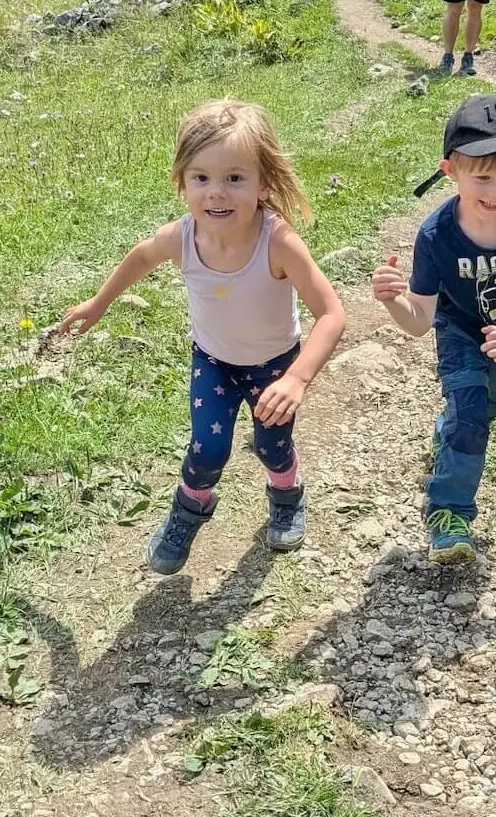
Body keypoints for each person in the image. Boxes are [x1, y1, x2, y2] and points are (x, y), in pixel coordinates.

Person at [59, 98, 346, 575]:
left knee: (271, 446)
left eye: (235, 178)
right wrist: (99, 303)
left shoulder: (277, 241)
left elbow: (332, 313)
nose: (217, 193)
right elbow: (139, 257)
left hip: (274, 365)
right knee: (207, 449)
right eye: (201, 178)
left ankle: (287, 492)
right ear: (183, 181)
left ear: (264, 182)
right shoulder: (181, 237)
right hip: (212, 361)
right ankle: (189, 508)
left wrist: (297, 379)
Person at [371, 94, 496, 565]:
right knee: (470, 413)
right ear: (451, 171)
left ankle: (450, 433)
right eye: (482, 176)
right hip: (460, 331)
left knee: (479, 411)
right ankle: (448, 515)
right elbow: (419, 321)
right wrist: (393, 301)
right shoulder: (436, 235)